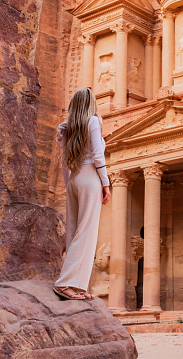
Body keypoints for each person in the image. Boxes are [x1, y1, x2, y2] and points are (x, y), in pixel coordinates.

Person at [53, 88, 110, 300]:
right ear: (90, 103)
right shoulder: (93, 122)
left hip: (74, 177)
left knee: (74, 230)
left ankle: (77, 285)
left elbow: (63, 161)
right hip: (89, 178)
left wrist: (69, 185)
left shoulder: (67, 128)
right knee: (86, 231)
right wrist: (106, 183)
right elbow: (97, 155)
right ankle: (66, 283)